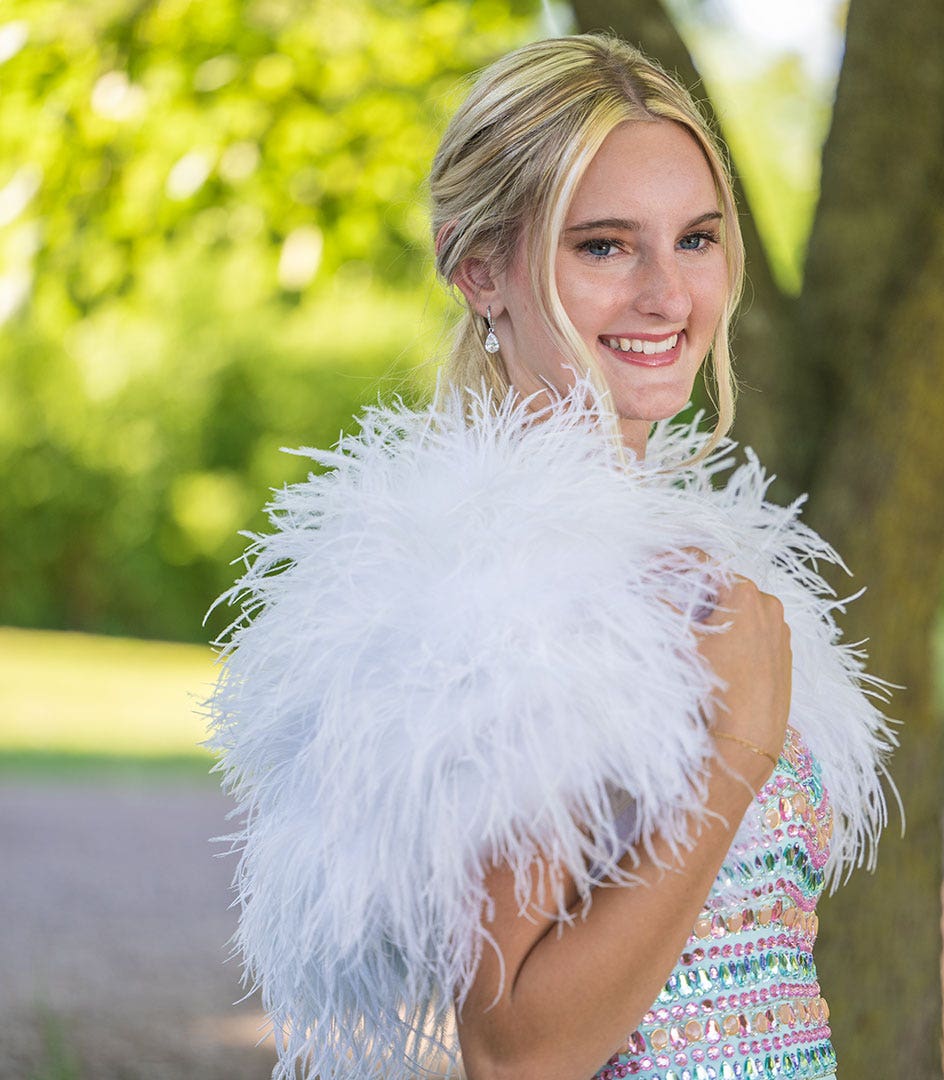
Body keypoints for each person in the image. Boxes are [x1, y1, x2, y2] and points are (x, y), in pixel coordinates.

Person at [207, 33, 895, 1080]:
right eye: (607, 246)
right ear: (480, 268)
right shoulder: (505, 597)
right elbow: (515, 1050)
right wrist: (735, 750)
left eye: (697, 239)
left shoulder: (682, 562)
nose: (669, 296)